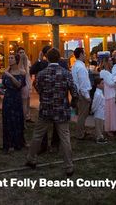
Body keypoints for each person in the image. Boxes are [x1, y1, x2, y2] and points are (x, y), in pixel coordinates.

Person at [25, 48, 78, 177]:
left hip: (46, 109)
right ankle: (69, 166)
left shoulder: (41, 74)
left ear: (46, 58)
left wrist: (44, 96)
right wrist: (72, 104)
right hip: (61, 110)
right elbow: (74, 91)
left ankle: (31, 159)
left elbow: (37, 87)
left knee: (37, 135)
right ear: (59, 58)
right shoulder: (66, 73)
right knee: (65, 138)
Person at [29, 45, 67, 152]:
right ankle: (55, 145)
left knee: (42, 127)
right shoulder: (62, 64)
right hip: (60, 101)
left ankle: (42, 147)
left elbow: (33, 74)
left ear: (45, 55)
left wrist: (41, 92)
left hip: (46, 101)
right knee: (58, 126)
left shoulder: (42, 65)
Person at [2, 54, 26, 153]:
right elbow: (3, 85)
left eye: (12, 58)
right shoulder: (6, 72)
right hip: (8, 98)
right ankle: (9, 143)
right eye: (9, 57)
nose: (9, 59)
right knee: (8, 121)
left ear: (16, 60)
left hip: (16, 98)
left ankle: (19, 142)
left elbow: (19, 85)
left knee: (18, 120)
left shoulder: (21, 72)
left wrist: (10, 76)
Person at [72, 47, 92, 140]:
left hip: (79, 92)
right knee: (82, 114)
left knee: (82, 114)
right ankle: (80, 134)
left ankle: (81, 131)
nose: (85, 55)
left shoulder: (76, 65)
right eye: (84, 54)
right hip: (83, 93)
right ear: (80, 54)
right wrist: (87, 96)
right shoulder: (80, 67)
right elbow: (83, 82)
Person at [91, 77, 107, 144]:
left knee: (101, 126)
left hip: (101, 112)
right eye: (102, 83)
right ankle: (99, 138)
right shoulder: (97, 94)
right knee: (98, 126)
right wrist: (92, 110)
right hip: (98, 113)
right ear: (97, 85)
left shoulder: (100, 92)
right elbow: (95, 104)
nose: (103, 85)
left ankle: (101, 136)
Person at [19, 53, 32, 123]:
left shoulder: (21, 68)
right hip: (25, 86)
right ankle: (24, 119)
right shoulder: (26, 68)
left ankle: (23, 121)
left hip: (23, 86)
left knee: (23, 104)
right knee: (25, 104)